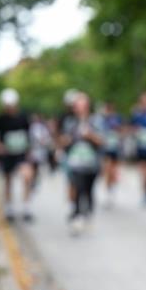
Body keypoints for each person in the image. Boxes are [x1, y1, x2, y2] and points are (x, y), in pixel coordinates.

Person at [0, 88, 35, 222]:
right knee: (8, 180)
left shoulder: (23, 118)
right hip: (7, 155)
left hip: (21, 153)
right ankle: (9, 208)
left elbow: (29, 136)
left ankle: (26, 207)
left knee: (27, 177)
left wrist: (29, 152)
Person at [59, 92, 103, 235]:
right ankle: (77, 215)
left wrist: (89, 136)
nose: (78, 108)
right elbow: (62, 141)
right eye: (76, 105)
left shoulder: (96, 121)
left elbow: (102, 141)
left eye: (81, 104)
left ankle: (87, 214)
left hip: (91, 162)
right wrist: (68, 140)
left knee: (89, 190)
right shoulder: (70, 122)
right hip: (75, 162)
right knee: (78, 187)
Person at [98, 102, 123, 208]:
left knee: (113, 170)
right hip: (105, 149)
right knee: (107, 170)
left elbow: (122, 131)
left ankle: (112, 187)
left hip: (115, 149)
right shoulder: (101, 120)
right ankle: (109, 191)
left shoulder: (117, 119)